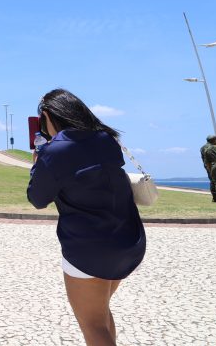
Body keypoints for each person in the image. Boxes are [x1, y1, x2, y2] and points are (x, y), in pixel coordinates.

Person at [28, 89, 146, 346]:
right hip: (127, 240)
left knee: (92, 325)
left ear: (48, 116)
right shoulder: (106, 139)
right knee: (100, 313)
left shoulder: (55, 150)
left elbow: (37, 199)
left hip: (89, 248)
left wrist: (38, 161)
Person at [200, 136, 216, 203]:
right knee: (214, 181)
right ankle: (215, 198)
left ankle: (215, 197)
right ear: (213, 140)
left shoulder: (203, 147)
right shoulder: (210, 147)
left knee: (213, 181)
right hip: (211, 166)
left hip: (209, 166)